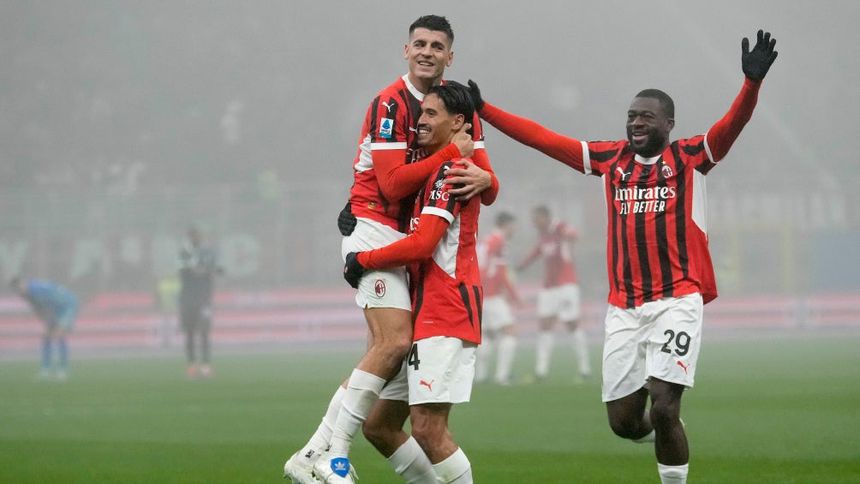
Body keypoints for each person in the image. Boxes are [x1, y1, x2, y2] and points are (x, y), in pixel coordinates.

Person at [469, 30, 778, 484]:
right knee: (624, 423)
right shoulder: (609, 160)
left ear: (668, 123)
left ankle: (671, 449)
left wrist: (751, 84)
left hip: (677, 300)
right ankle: (667, 430)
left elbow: (731, 126)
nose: (635, 122)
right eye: (631, 116)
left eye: (646, 117)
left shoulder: (690, 156)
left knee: (665, 405)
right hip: (624, 308)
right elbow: (544, 139)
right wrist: (485, 111)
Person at [284, 15, 498, 484]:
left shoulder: (459, 107)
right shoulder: (390, 103)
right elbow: (392, 185)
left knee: (384, 359)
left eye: (436, 46)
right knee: (392, 344)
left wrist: (486, 176)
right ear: (406, 50)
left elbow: (486, 183)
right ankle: (330, 454)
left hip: (407, 249)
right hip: (378, 230)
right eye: (419, 43)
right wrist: (452, 157)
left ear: (450, 56)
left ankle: (315, 452)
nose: (426, 52)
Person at [343, 81, 483, 484]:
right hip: (421, 310)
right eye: (421, 112)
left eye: (431, 114)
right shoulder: (431, 169)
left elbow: (423, 245)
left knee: (428, 429)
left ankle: (326, 445)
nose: (420, 120)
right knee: (379, 424)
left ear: (457, 123)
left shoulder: (453, 172)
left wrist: (363, 259)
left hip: (446, 307)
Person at [517, 205, 590, 383]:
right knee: (544, 326)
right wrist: (522, 266)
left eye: (536, 219)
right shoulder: (543, 236)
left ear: (545, 217)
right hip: (549, 287)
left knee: (572, 324)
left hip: (566, 285)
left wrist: (567, 234)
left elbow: (574, 234)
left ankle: (584, 369)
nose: (534, 222)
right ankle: (541, 371)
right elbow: (536, 252)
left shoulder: (559, 227)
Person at [475, 211, 520, 385]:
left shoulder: (487, 240)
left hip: (480, 292)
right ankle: (502, 376)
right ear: (505, 224)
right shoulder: (500, 241)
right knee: (510, 331)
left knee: (487, 334)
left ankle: (480, 375)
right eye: (513, 226)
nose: (514, 229)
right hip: (492, 294)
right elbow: (501, 272)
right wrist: (514, 296)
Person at [10, 277, 79, 380]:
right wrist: (46, 320)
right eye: (16, 290)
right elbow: (37, 309)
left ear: (24, 283)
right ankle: (45, 369)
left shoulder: (37, 290)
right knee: (46, 337)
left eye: (19, 288)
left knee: (59, 335)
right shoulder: (26, 294)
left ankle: (62, 370)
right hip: (55, 308)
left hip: (67, 305)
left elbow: (49, 303)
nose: (19, 291)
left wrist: (53, 321)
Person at [178, 226, 221, 379]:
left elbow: (218, 270)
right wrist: (203, 270)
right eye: (192, 236)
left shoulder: (208, 253)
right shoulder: (184, 253)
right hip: (188, 299)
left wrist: (207, 270)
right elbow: (186, 271)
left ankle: (206, 365)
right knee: (189, 333)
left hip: (204, 300)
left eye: (197, 236)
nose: (195, 238)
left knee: (204, 332)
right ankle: (191, 365)